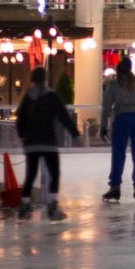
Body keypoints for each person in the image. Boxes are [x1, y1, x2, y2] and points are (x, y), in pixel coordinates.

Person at [14, 66, 80, 221]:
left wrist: (22, 136)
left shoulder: (28, 97)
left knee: (30, 175)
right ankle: (52, 207)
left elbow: (20, 119)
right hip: (48, 141)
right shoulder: (52, 96)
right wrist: (76, 135)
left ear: (33, 79)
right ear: (45, 78)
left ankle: (25, 206)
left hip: (31, 142)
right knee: (54, 173)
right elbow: (64, 117)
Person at [100, 57, 135, 202]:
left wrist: (103, 126)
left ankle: (115, 187)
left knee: (118, 154)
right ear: (130, 68)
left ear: (119, 68)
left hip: (121, 120)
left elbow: (106, 107)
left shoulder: (113, 84)